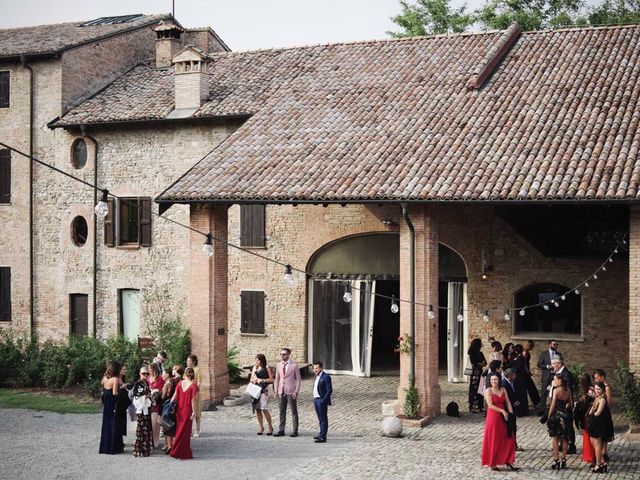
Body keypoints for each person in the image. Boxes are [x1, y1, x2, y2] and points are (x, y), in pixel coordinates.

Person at [481, 373, 520, 471]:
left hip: (504, 416)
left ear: (499, 380)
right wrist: (502, 411)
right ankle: (492, 462)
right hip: (493, 416)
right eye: (492, 380)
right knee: (495, 438)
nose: (494, 382)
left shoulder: (503, 389)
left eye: (496, 380)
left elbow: (507, 402)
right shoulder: (488, 390)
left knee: (508, 437)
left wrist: (511, 415)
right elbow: (490, 405)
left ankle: (508, 460)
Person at [170, 367, 199, 460]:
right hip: (187, 411)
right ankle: (182, 452)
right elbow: (193, 400)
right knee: (185, 433)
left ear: (185, 374)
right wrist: (194, 412)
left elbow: (174, 396)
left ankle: (177, 451)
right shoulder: (193, 386)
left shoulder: (180, 383)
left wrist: (170, 405)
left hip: (179, 410)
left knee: (179, 430)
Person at [547, 374, 573, 470]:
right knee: (565, 439)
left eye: (555, 380)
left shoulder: (556, 391)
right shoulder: (568, 390)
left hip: (556, 417)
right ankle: (564, 459)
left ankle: (556, 460)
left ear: (560, 381)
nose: (554, 381)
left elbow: (553, 405)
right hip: (565, 417)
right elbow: (571, 403)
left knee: (555, 438)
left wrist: (549, 416)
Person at [274, 347, 301, 437]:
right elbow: (277, 378)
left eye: (284, 354)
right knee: (282, 411)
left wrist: (296, 391)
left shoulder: (294, 365)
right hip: (281, 391)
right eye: (281, 354)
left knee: (293, 411)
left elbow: (298, 379)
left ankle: (295, 430)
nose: (282, 355)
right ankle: (281, 430)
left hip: (291, 391)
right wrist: (276, 391)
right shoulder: (279, 365)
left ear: (288, 355)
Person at [550, 357, 576, 453]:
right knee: (561, 426)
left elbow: (569, 389)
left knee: (568, 425)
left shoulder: (566, 374)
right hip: (558, 403)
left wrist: (569, 403)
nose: (552, 366)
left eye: (553, 364)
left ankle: (571, 445)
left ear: (558, 364)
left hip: (565, 404)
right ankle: (562, 444)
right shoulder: (557, 373)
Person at [588, 381, 614, 473]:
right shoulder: (597, 397)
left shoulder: (602, 399)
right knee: (594, 443)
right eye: (595, 389)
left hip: (600, 424)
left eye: (599, 389)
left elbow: (598, 412)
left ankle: (598, 464)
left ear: (603, 390)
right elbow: (592, 409)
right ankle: (603, 462)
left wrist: (591, 416)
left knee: (598, 444)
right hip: (595, 422)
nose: (597, 391)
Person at [99, 361, 124, 454]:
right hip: (113, 403)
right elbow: (115, 393)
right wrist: (122, 388)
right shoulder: (115, 379)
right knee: (114, 424)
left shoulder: (105, 378)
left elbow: (103, 385)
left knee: (106, 423)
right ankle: (114, 447)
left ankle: (105, 446)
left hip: (106, 403)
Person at [250, 354, 274, 435]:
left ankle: (270, 426)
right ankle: (261, 427)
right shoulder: (254, 368)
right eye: (256, 360)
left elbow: (271, 380)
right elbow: (251, 379)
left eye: (258, 360)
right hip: (255, 389)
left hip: (264, 389)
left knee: (264, 408)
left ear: (262, 360)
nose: (257, 361)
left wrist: (262, 380)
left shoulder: (267, 368)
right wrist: (254, 380)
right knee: (257, 408)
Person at [537, 340, 563, 413]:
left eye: (556, 345)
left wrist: (557, 367)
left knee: (556, 392)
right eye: (554, 344)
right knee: (544, 392)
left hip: (556, 376)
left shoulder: (559, 354)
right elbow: (539, 364)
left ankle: (555, 409)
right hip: (546, 375)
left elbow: (562, 363)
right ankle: (542, 410)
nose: (556, 346)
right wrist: (548, 366)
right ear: (549, 345)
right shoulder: (544, 354)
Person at [132, 366, 153, 457]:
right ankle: (139, 450)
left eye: (147, 373)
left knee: (146, 430)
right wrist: (146, 396)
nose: (145, 375)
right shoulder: (138, 384)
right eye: (143, 373)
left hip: (146, 409)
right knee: (141, 430)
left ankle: (145, 450)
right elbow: (137, 397)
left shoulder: (146, 383)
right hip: (141, 410)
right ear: (140, 374)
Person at [593, 369, 613, 462]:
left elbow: (607, 401)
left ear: (602, 377)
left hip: (604, 412)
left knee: (603, 434)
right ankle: (601, 454)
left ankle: (604, 454)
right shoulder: (598, 387)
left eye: (597, 378)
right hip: (600, 409)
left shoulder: (607, 387)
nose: (596, 380)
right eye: (595, 378)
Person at [576, 373, 595, 466]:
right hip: (585, 416)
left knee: (589, 435)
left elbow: (592, 402)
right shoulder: (586, 390)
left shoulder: (590, 390)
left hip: (588, 415)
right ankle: (587, 454)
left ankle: (590, 455)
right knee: (586, 435)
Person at [501, 368, 522, 451]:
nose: (515, 376)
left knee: (513, 427)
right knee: (509, 428)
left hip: (513, 408)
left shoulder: (512, 382)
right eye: (514, 375)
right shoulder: (504, 384)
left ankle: (513, 444)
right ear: (509, 375)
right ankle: (510, 445)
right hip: (508, 409)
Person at [312, 361, 333, 443]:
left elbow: (329, 390)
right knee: (320, 418)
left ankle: (323, 436)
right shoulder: (317, 377)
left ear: (321, 368)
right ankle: (321, 433)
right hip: (316, 399)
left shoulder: (326, 377)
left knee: (323, 418)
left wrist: (324, 400)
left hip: (321, 400)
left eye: (316, 368)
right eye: (314, 368)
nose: (315, 370)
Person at [467, 338, 486, 414]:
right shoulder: (472, 354)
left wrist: (480, 364)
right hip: (474, 375)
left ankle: (480, 406)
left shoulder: (480, 353)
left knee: (480, 389)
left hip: (480, 374)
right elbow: (474, 363)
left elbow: (485, 363)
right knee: (474, 390)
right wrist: (480, 364)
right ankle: (473, 406)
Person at [161, 367, 177, 454]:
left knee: (166, 426)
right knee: (170, 426)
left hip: (167, 405)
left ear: (167, 374)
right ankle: (169, 445)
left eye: (163, 373)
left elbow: (163, 396)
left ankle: (169, 445)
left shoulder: (167, 384)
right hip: (173, 406)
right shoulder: (174, 381)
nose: (162, 375)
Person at [147, 362, 164, 448]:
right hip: (148, 402)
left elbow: (162, 390)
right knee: (149, 422)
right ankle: (150, 440)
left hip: (156, 403)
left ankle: (155, 441)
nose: (148, 370)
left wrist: (156, 391)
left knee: (155, 423)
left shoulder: (160, 378)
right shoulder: (148, 378)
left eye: (150, 369)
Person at [115, 365, 132, 446]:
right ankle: (118, 441)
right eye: (124, 369)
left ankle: (120, 440)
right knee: (118, 422)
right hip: (118, 404)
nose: (126, 370)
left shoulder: (122, 379)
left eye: (126, 369)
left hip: (123, 404)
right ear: (119, 370)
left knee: (122, 422)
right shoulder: (116, 379)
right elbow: (116, 391)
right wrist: (123, 387)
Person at [511, 344, 530, 417]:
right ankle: (522, 410)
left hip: (519, 378)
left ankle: (521, 411)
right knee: (520, 394)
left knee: (520, 394)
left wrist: (511, 369)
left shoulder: (520, 358)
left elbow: (517, 368)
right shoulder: (520, 357)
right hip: (519, 377)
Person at [186, 355, 202, 437]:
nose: (187, 363)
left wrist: (195, 390)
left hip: (195, 392)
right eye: (187, 361)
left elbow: (199, 382)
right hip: (187, 392)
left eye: (189, 361)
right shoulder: (187, 369)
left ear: (194, 362)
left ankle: (197, 429)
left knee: (196, 411)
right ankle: (189, 429)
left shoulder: (197, 370)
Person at [523, 340, 541, 408]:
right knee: (531, 387)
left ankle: (536, 402)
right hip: (525, 372)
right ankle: (536, 403)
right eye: (532, 346)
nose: (532, 348)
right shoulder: (524, 353)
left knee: (531, 387)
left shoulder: (527, 352)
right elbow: (524, 363)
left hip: (526, 371)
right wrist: (528, 371)